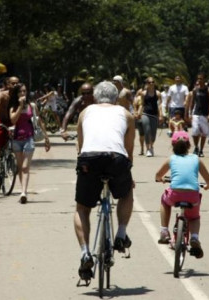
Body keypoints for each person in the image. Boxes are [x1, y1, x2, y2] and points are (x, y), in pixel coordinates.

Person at [74, 81, 135, 280]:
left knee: (82, 207)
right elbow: (129, 150)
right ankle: (121, 233)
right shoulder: (126, 114)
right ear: (116, 99)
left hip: (89, 159)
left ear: (95, 97)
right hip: (116, 159)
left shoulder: (85, 112)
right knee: (126, 193)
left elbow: (81, 146)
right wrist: (128, 174)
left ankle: (85, 253)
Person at [155, 131, 209, 259]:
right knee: (194, 217)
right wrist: (208, 186)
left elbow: (158, 175)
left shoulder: (171, 159)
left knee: (165, 201)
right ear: (189, 145)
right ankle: (194, 237)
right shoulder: (196, 159)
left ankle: (164, 230)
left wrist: (162, 179)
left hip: (174, 195)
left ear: (173, 145)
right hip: (192, 197)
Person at [10, 84, 51, 204]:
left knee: (24, 167)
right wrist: (20, 106)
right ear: (16, 94)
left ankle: (24, 192)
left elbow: (39, 121)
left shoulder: (32, 106)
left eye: (25, 91)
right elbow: (13, 120)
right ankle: (23, 190)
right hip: (17, 139)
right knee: (19, 167)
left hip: (29, 138)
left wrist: (46, 137)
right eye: (20, 92)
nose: (23, 94)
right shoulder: (13, 106)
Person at [0, 76, 20, 187]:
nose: (15, 85)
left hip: (12, 123)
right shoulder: (2, 94)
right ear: (8, 84)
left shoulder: (20, 96)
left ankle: (14, 164)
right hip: (0, 122)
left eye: (17, 83)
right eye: (13, 83)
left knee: (18, 145)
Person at [187, 73, 209, 157]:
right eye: (198, 78)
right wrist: (190, 113)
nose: (199, 80)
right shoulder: (195, 90)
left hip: (204, 114)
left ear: (204, 80)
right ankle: (196, 147)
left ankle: (201, 149)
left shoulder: (208, 90)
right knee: (195, 132)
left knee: (204, 133)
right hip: (196, 113)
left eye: (201, 79)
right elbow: (193, 101)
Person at [138, 77, 162, 157]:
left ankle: (151, 147)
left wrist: (161, 115)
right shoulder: (144, 93)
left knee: (153, 134)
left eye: (153, 82)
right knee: (147, 131)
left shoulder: (158, 93)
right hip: (146, 114)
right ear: (147, 83)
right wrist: (139, 112)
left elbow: (159, 105)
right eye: (149, 82)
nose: (151, 83)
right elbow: (142, 104)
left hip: (154, 115)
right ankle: (148, 149)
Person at [133, 86, 145, 155]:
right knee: (141, 134)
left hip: (148, 116)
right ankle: (142, 149)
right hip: (140, 118)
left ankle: (149, 148)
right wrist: (136, 114)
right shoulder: (137, 99)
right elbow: (135, 107)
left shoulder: (149, 98)